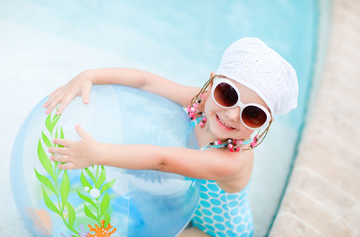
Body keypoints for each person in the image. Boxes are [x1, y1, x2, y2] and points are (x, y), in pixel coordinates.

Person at [45, 37, 298, 237]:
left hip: (213, 232)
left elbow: (162, 159)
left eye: (253, 114)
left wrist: (98, 154)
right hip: (181, 204)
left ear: (266, 124)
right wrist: (90, 75)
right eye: (228, 94)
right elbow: (146, 82)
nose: (232, 114)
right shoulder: (201, 102)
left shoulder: (234, 161)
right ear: (211, 85)